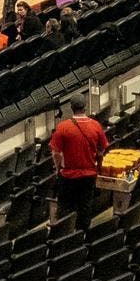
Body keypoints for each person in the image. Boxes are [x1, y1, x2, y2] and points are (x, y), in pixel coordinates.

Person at [49, 96, 110, 232]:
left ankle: (66, 236)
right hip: (89, 175)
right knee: (85, 207)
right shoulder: (95, 125)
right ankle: (82, 235)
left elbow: (56, 153)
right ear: (85, 107)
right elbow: (102, 148)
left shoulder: (63, 127)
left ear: (71, 108)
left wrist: (58, 168)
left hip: (68, 176)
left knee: (65, 208)